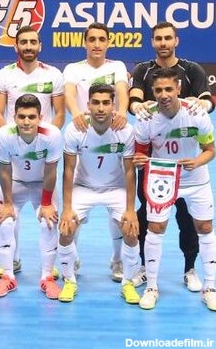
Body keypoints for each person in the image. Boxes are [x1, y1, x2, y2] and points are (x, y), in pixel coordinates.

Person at [129, 21, 213, 291]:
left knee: (188, 220)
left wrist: (200, 105)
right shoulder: (143, 70)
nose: (163, 43)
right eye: (158, 38)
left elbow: (207, 101)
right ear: (152, 42)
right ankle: (145, 268)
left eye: (168, 38)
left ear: (176, 41)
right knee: (148, 218)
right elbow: (135, 101)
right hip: (155, 165)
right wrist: (139, 108)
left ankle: (190, 268)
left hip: (187, 159)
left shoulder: (192, 70)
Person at [57, 84, 140, 304]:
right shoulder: (75, 129)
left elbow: (130, 172)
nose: (101, 108)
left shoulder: (125, 131)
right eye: (96, 103)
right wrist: (66, 209)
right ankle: (69, 280)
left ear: (113, 105)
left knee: (131, 230)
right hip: (83, 186)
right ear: (88, 105)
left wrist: (131, 210)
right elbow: (67, 170)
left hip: (116, 187)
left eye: (106, 103)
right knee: (65, 229)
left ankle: (128, 283)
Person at [0, 25, 64, 280]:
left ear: (40, 45)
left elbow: (59, 113)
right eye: (24, 42)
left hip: (43, 151)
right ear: (16, 46)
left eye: (33, 42)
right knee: (7, 216)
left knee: (50, 218)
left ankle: (54, 264)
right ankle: (13, 260)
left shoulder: (54, 74)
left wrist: (44, 142)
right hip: (15, 151)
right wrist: (15, 142)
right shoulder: (4, 74)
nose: (29, 46)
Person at [63, 22, 130, 282]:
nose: (97, 44)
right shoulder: (73, 69)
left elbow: (122, 92)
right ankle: (73, 258)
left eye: (102, 39)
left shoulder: (117, 67)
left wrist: (121, 113)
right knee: (72, 217)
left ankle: (118, 260)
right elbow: (70, 94)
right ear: (85, 43)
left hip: (110, 129)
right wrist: (76, 115)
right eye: (92, 39)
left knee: (120, 217)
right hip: (85, 132)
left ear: (108, 43)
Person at [0, 94, 62, 299]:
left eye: (32, 117)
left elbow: (51, 171)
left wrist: (46, 204)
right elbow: (5, 171)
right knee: (5, 222)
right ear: (14, 117)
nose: (26, 122)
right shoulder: (4, 135)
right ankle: (8, 276)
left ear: (40, 117)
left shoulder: (52, 134)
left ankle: (47, 277)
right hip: (15, 183)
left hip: (42, 184)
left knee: (48, 222)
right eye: (21, 117)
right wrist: (7, 203)